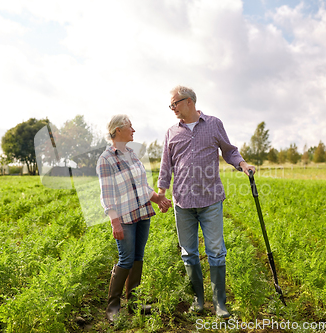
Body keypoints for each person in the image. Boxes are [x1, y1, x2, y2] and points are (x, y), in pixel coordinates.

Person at [157, 86, 255, 318]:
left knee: (216, 252)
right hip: (182, 202)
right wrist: (161, 191)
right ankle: (198, 301)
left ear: (189, 101)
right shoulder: (171, 132)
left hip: (210, 199)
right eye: (170, 105)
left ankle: (219, 304)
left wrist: (242, 165)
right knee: (188, 253)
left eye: (175, 103)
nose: (172, 108)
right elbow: (165, 166)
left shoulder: (213, 124)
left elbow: (229, 151)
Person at [97, 114, 172, 322]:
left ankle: (134, 304)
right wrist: (114, 221)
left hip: (142, 213)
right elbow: (107, 194)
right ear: (118, 130)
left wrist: (158, 199)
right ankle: (113, 307)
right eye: (130, 127)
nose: (134, 130)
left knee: (138, 258)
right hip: (124, 217)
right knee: (126, 259)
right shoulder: (106, 159)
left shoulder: (132, 154)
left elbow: (142, 187)